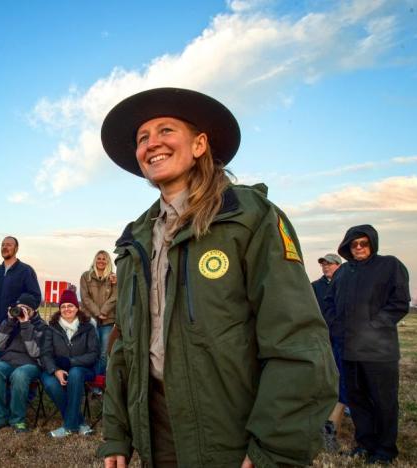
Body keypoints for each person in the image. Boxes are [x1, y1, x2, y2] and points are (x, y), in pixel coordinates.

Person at [98, 88, 337, 467]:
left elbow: (297, 340)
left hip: (232, 426)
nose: (151, 144)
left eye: (165, 131)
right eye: (143, 138)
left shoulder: (249, 216)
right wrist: (117, 435)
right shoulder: (135, 240)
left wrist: (273, 449)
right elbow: (125, 347)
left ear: (199, 144)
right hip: (157, 428)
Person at [323, 225, 410, 465]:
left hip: (379, 351)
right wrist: (336, 326)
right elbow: (329, 302)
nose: (359, 248)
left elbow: (400, 302)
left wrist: (374, 326)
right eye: (354, 244)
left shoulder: (389, 265)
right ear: (347, 247)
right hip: (349, 349)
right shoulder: (342, 273)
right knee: (357, 399)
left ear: (373, 243)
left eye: (364, 243)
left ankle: (384, 450)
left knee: (383, 401)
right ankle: (365, 444)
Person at [0, 293, 47, 433]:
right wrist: (9, 323)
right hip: (9, 360)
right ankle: (0, 416)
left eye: (26, 309)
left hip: (31, 364)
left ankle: (17, 419)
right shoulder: (10, 323)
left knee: (19, 375)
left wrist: (25, 325)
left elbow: (35, 352)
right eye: (19, 308)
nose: (21, 311)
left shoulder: (42, 326)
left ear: (34, 311)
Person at [41, 290, 98, 438]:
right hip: (57, 369)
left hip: (83, 369)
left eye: (70, 305)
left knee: (75, 373)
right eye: (63, 306)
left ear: (77, 307)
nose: (67, 309)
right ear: (59, 309)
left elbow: (93, 354)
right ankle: (80, 423)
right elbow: (45, 354)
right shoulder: (52, 328)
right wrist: (55, 370)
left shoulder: (88, 327)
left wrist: (71, 362)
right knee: (49, 383)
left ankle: (69, 426)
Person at [311, 252, 346, 452]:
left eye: (329, 264)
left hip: (343, 338)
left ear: (338, 265)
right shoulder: (315, 287)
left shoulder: (347, 283)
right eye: (323, 265)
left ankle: (335, 422)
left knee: (342, 377)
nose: (326, 267)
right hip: (323, 338)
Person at [0, 237, 42, 355]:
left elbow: (35, 296)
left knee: (12, 361)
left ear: (16, 248)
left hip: (15, 325)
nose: (5, 247)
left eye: (9, 245)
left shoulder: (25, 270)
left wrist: (19, 309)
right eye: (3, 245)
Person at [79, 251, 117, 375]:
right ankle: (88, 379)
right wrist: (97, 313)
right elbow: (85, 298)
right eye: (99, 258)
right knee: (92, 352)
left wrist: (104, 311)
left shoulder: (113, 277)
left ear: (108, 262)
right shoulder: (86, 276)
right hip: (91, 320)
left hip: (108, 320)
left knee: (103, 354)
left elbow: (116, 296)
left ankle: (98, 383)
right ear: (95, 260)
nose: (101, 261)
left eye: (104, 259)